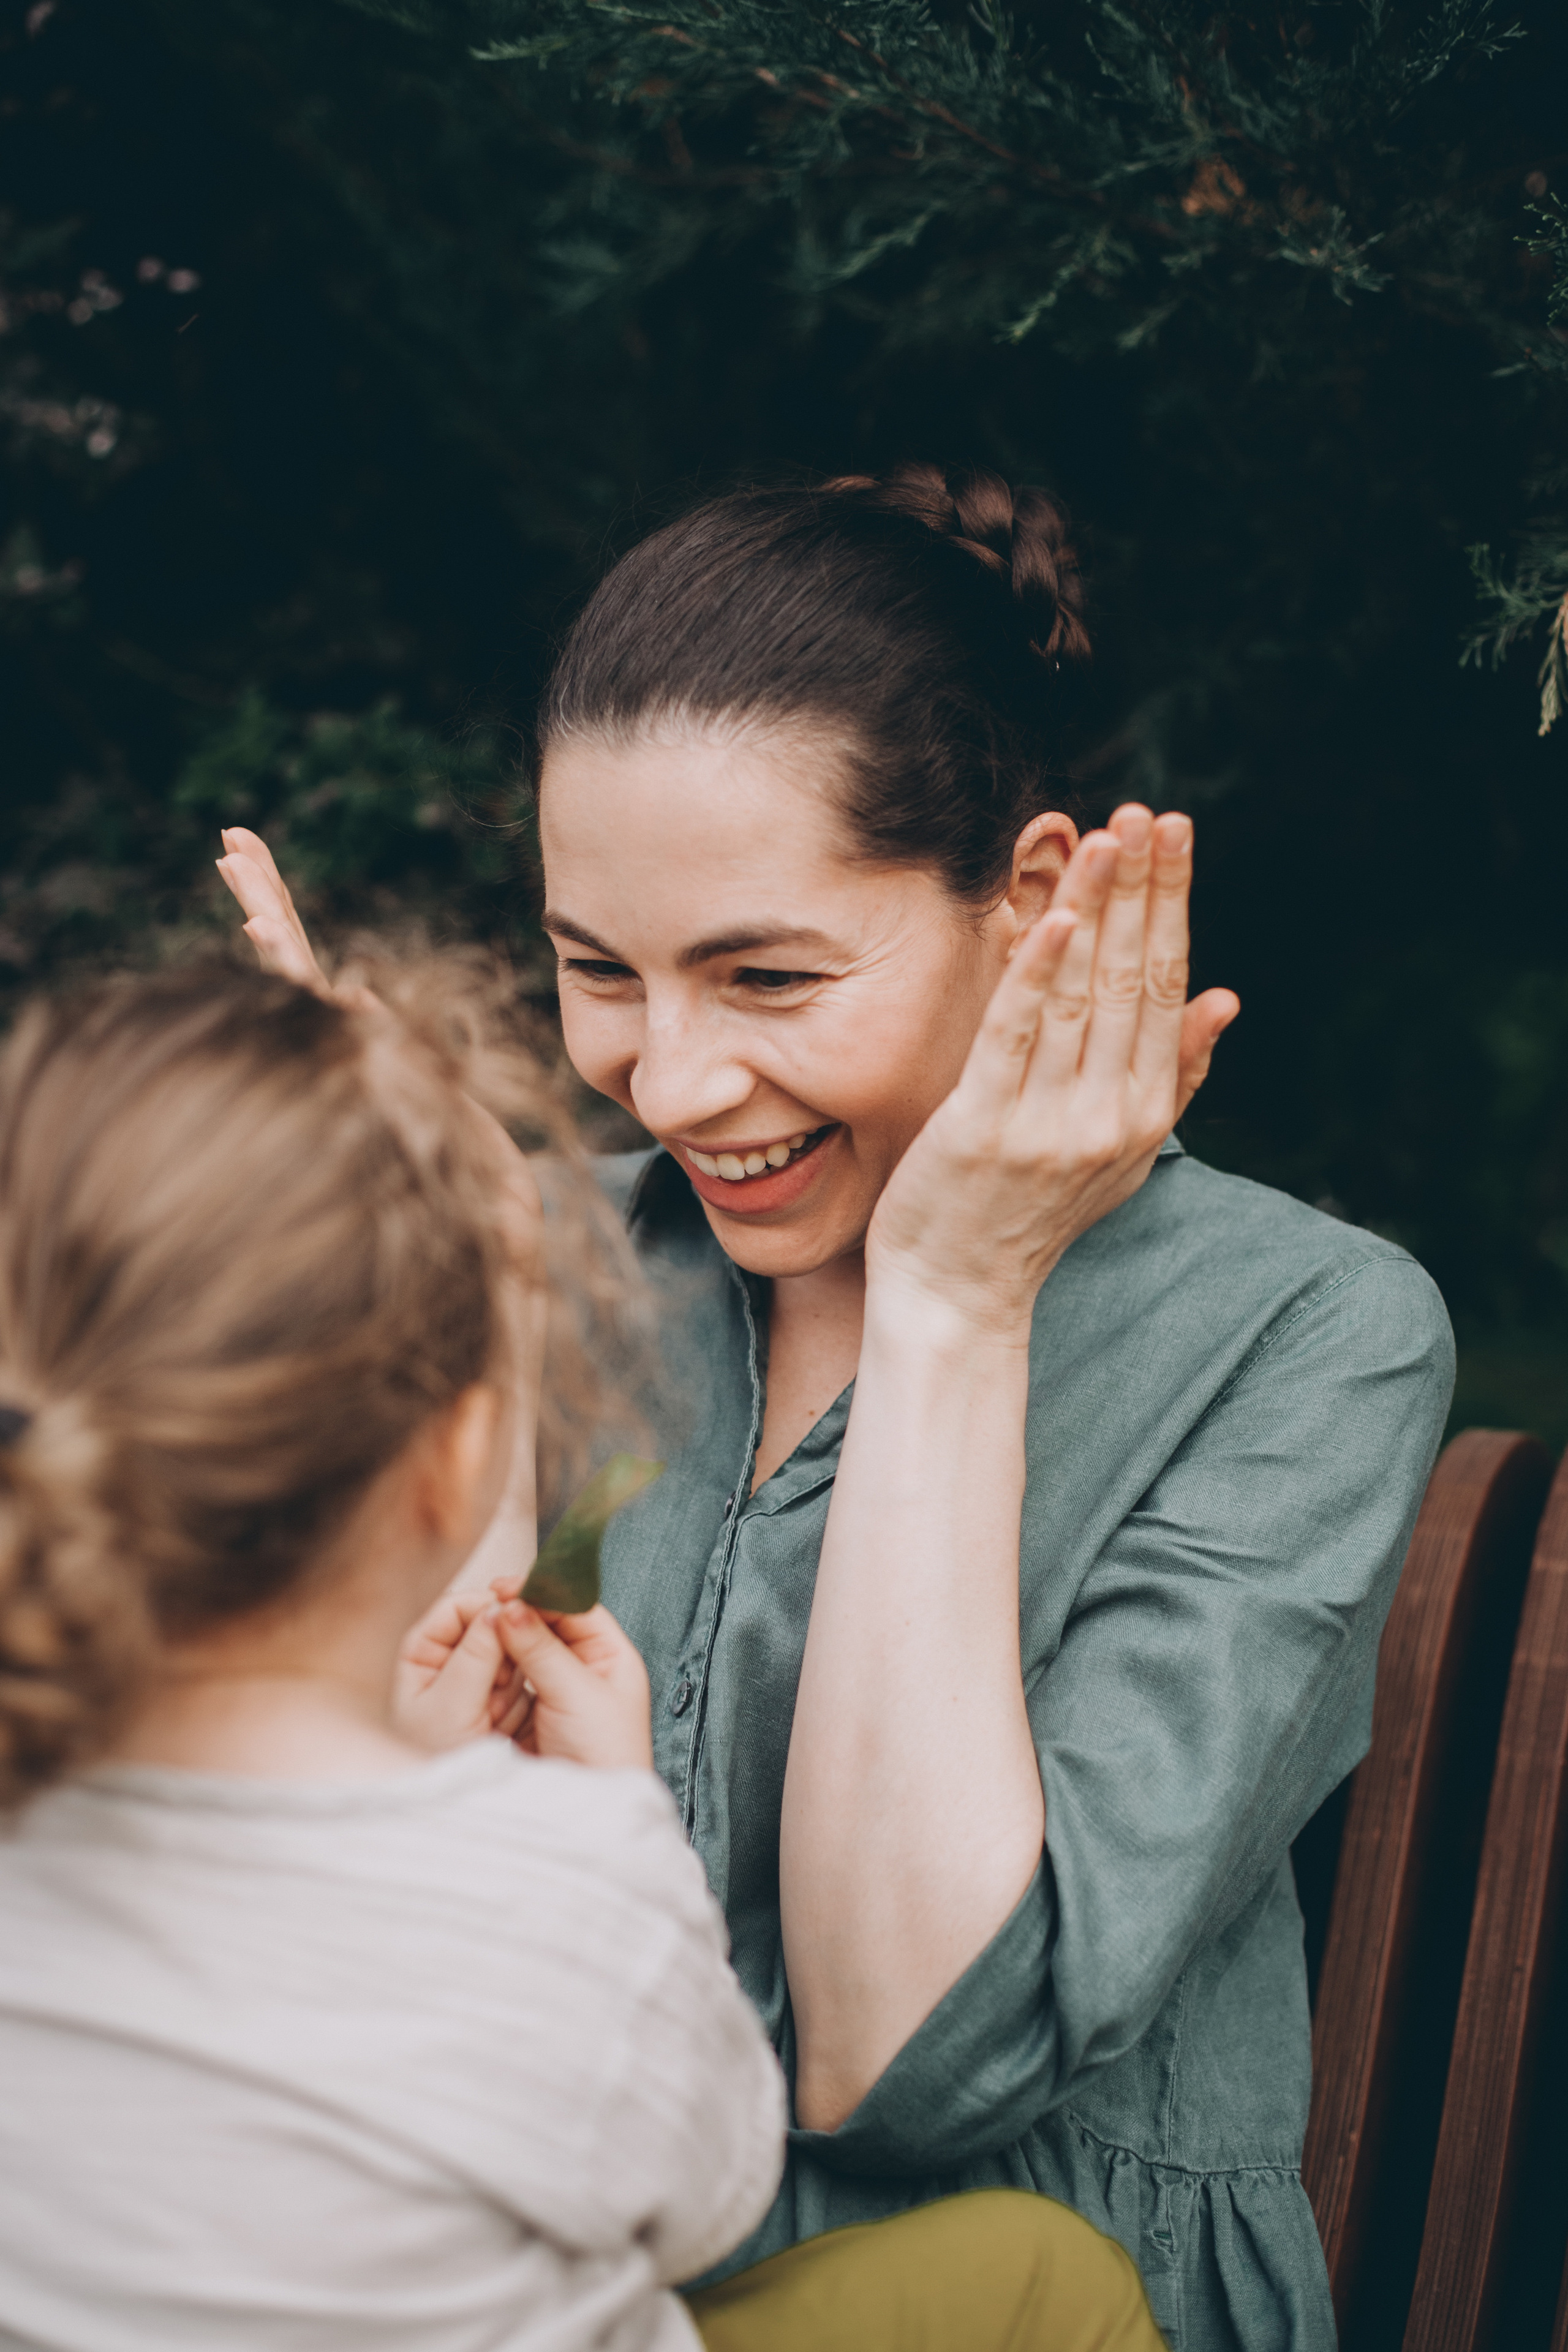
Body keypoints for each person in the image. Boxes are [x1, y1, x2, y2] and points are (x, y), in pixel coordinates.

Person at [219, 461, 1456, 2352]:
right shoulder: (551, 1257)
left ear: (1031, 901)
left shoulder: (1308, 1335)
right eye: (596, 974)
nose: (676, 1081)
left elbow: (910, 2069)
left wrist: (958, 1303)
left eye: (769, 976)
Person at [0, 953, 1163, 2351]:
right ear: (454, 1459)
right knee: (1046, 2273)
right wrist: (614, 1823)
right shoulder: (555, 1889)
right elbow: (710, 2199)